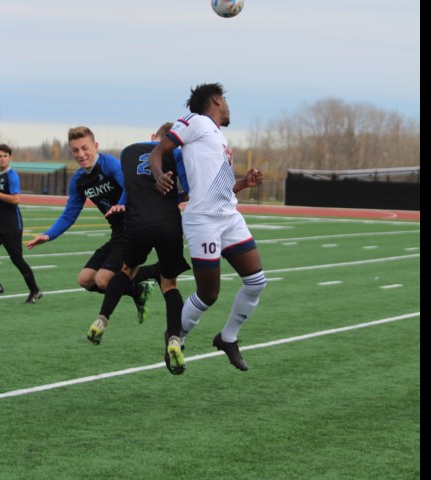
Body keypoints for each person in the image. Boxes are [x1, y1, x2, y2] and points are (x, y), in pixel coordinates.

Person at [149, 83, 266, 371]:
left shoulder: (217, 136)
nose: (227, 107)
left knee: (256, 281)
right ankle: (176, 339)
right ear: (216, 99)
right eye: (225, 100)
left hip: (229, 216)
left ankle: (228, 338)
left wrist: (242, 184)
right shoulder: (196, 121)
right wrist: (158, 175)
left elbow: (217, 188)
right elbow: (157, 152)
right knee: (208, 294)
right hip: (203, 220)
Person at [86, 123, 191, 375]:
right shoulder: (177, 153)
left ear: (154, 136)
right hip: (167, 222)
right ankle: (174, 340)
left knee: (126, 270)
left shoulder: (128, 151)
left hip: (136, 223)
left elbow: (129, 189)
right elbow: (187, 192)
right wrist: (173, 200)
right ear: (174, 140)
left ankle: (102, 320)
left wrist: (123, 204)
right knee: (170, 284)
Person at [26, 126, 159, 319]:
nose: (81, 154)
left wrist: (121, 205)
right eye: (75, 150)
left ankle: (154, 271)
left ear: (95, 146)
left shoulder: (109, 164)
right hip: (117, 234)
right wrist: (48, 234)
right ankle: (138, 290)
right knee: (85, 280)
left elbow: (130, 187)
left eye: (84, 148)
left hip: (134, 229)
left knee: (104, 280)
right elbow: (69, 214)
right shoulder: (79, 180)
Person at [0, 144, 43, 303]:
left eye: (5, 156)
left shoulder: (12, 176)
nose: (2, 158)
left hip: (12, 226)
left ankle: (35, 290)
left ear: (9, 157)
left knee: (17, 259)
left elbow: (16, 199)